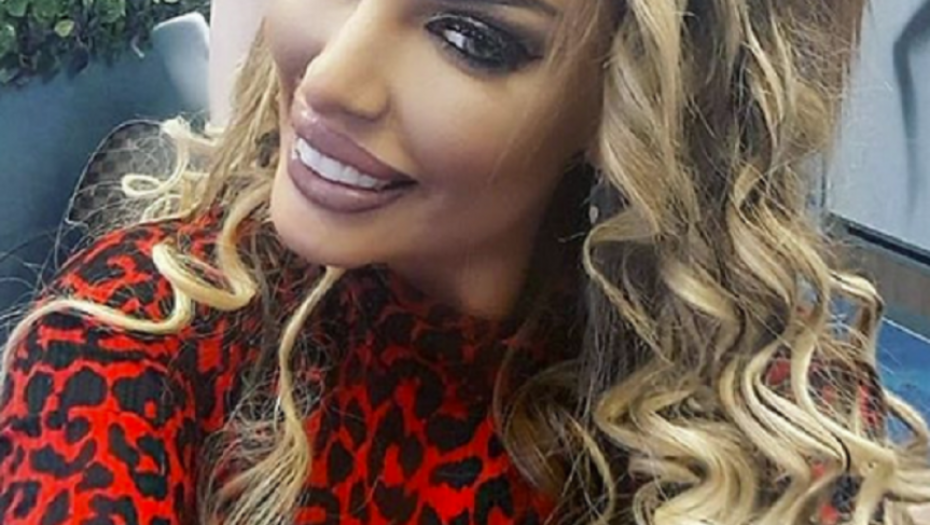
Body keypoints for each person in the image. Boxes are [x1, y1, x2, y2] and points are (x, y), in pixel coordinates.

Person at [1, 0, 928, 524]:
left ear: (634, 100)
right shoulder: (128, 344)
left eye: (469, 37)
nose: (330, 79)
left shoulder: (767, 421)